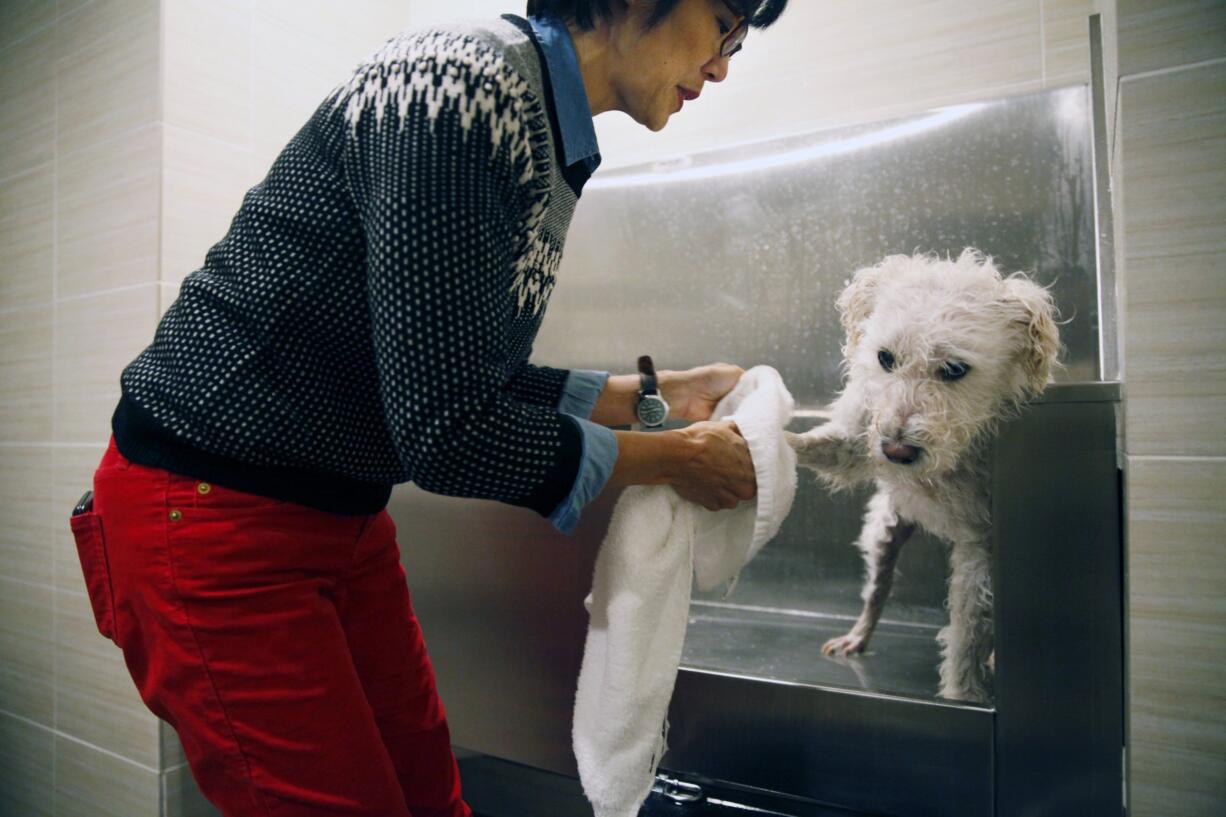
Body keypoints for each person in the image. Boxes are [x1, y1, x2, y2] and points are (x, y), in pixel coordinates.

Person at [69, 1, 790, 815]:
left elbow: (452, 368)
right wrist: (679, 458)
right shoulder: (461, 84)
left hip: (337, 512)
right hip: (209, 509)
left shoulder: (540, 125)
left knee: (430, 795)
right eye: (723, 22)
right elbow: (448, 433)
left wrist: (651, 397)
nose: (724, 63)